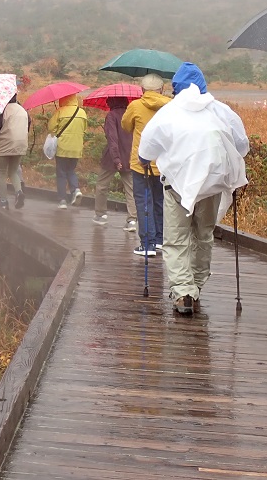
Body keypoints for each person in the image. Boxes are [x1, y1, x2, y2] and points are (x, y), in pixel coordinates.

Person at [139, 63, 249, 316]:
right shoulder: (221, 110)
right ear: (202, 86)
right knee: (203, 234)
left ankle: (183, 292)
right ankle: (196, 284)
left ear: (176, 88)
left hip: (177, 184)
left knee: (176, 239)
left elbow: (146, 150)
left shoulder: (168, 112)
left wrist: (145, 161)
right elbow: (242, 145)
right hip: (212, 184)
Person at [122, 74, 172, 255]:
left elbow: (126, 126)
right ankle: (159, 240)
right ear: (161, 89)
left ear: (142, 89)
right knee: (160, 201)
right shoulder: (170, 106)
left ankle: (147, 244)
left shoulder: (135, 106)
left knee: (144, 201)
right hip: (163, 163)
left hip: (141, 163)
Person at [92, 97, 137, 227]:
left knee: (102, 185)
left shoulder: (111, 115)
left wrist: (116, 158)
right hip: (129, 156)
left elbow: (112, 138)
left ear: (113, 101)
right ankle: (132, 220)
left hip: (111, 157)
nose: (107, 102)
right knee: (130, 189)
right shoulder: (131, 114)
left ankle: (101, 214)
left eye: (109, 100)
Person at [0, 94, 29, 210]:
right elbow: (28, 124)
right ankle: (19, 192)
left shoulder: (2, 110)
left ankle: (4, 201)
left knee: (1, 173)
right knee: (13, 171)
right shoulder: (23, 110)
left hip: (4, 143)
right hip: (20, 144)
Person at [48, 94, 87, 209]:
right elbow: (84, 129)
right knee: (71, 170)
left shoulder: (60, 111)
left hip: (63, 147)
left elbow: (51, 128)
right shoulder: (82, 113)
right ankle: (75, 190)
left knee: (61, 173)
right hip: (76, 148)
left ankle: (62, 200)